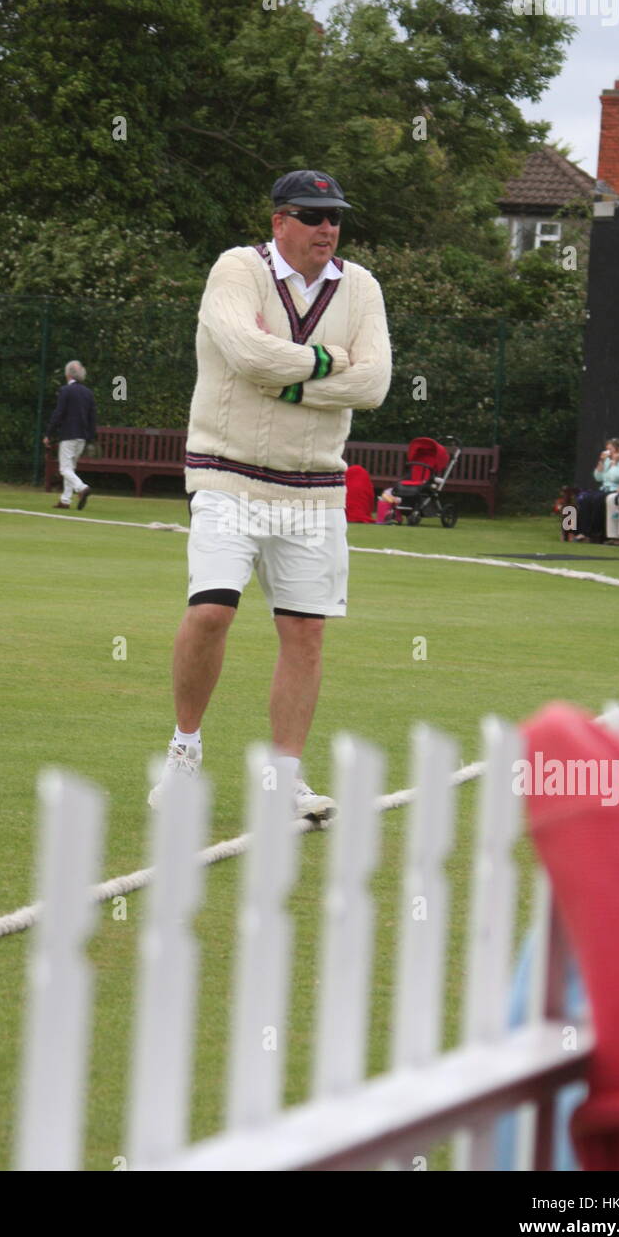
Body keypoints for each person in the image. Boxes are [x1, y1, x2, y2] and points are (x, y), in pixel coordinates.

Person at [148, 169, 392, 820]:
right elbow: (247, 357)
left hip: (314, 486)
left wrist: (290, 375)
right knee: (211, 613)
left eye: (334, 216)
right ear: (279, 220)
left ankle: (286, 780)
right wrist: (328, 359)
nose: (327, 228)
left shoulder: (360, 286)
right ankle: (183, 755)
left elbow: (374, 385)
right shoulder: (236, 270)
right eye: (312, 216)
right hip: (227, 472)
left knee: (305, 630)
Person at [43, 360, 97, 510]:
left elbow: (58, 414)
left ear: (68, 374)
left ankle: (82, 488)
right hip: (82, 437)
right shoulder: (88, 393)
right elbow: (92, 417)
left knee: (64, 469)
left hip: (68, 435)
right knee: (70, 469)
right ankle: (65, 500)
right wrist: (90, 438)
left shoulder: (66, 391)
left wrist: (49, 433)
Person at [574, 438, 619, 541]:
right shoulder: (607, 461)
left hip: (615, 490)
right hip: (604, 489)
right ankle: (582, 532)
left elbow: (616, 478)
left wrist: (614, 463)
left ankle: (595, 533)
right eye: (607, 449)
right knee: (585, 498)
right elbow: (598, 477)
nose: (608, 451)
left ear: (618, 449)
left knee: (597, 499)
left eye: (610, 449)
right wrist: (601, 461)